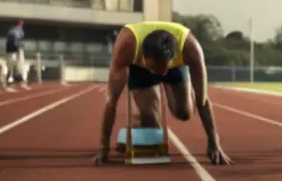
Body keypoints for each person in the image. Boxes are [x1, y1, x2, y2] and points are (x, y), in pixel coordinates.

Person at [93, 20, 231, 165]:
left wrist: (214, 141)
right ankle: (145, 105)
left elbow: (202, 101)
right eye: (154, 67)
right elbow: (111, 101)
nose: (159, 73)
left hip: (174, 67)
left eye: (162, 69)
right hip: (141, 69)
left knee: (184, 113)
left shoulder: (191, 49)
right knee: (149, 120)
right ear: (143, 54)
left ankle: (175, 82)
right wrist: (104, 147)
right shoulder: (127, 46)